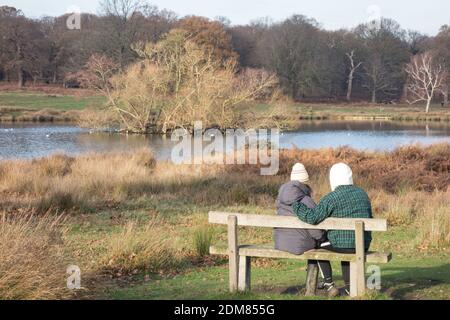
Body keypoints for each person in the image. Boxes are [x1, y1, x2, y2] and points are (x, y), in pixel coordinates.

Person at [292, 163, 373, 297]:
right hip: (363, 244)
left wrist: (297, 207)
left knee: (316, 246)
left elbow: (313, 217)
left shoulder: (332, 198)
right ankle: (350, 288)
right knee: (349, 248)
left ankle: (329, 284)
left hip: (341, 245)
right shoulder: (362, 194)